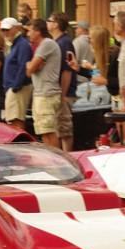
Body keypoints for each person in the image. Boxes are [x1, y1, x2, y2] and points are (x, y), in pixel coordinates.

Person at [25, 18, 62, 149]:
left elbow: (30, 70)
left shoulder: (47, 44)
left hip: (46, 94)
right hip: (42, 93)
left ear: (37, 31)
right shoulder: (44, 45)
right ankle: (52, 159)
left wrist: (30, 65)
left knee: (48, 131)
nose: (28, 34)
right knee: (43, 131)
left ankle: (57, 161)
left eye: (29, 31)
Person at [47, 12, 77, 151]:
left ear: (56, 24)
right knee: (58, 127)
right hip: (58, 90)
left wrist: (63, 94)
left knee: (64, 127)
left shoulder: (64, 43)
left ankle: (68, 154)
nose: (47, 23)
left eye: (49, 20)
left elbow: (67, 70)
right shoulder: (56, 42)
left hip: (63, 91)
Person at [0, 17, 33, 130]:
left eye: (7, 29)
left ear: (16, 28)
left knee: (16, 120)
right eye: (3, 30)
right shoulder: (14, 44)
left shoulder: (22, 44)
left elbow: (23, 66)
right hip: (13, 87)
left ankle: (19, 145)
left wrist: (15, 86)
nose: (5, 32)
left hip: (18, 88)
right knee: (13, 119)